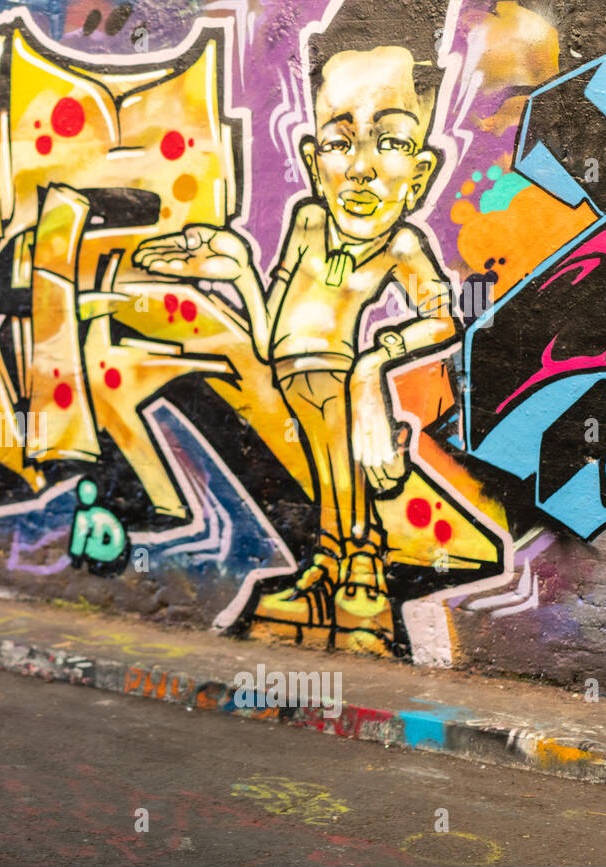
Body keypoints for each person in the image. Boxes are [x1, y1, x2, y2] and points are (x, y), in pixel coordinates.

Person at [134, 0, 458, 651]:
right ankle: (330, 563)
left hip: (340, 375)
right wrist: (232, 269)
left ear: (421, 171)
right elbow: (271, 327)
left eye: (391, 141)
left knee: (342, 473)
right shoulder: (308, 223)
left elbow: (442, 317)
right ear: (314, 161)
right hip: (295, 375)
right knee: (326, 475)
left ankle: (361, 569)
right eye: (341, 142)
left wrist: (374, 366)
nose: (361, 166)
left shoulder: (399, 247)